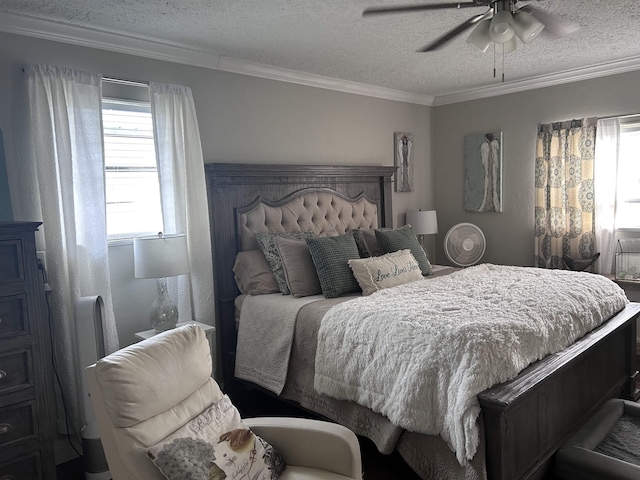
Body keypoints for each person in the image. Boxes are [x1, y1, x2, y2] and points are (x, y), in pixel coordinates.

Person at [478, 133, 500, 212]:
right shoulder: (485, 146)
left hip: (492, 167)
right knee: (488, 182)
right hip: (489, 168)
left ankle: (494, 202)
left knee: (493, 183)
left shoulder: (494, 145)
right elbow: (484, 159)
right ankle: (487, 202)